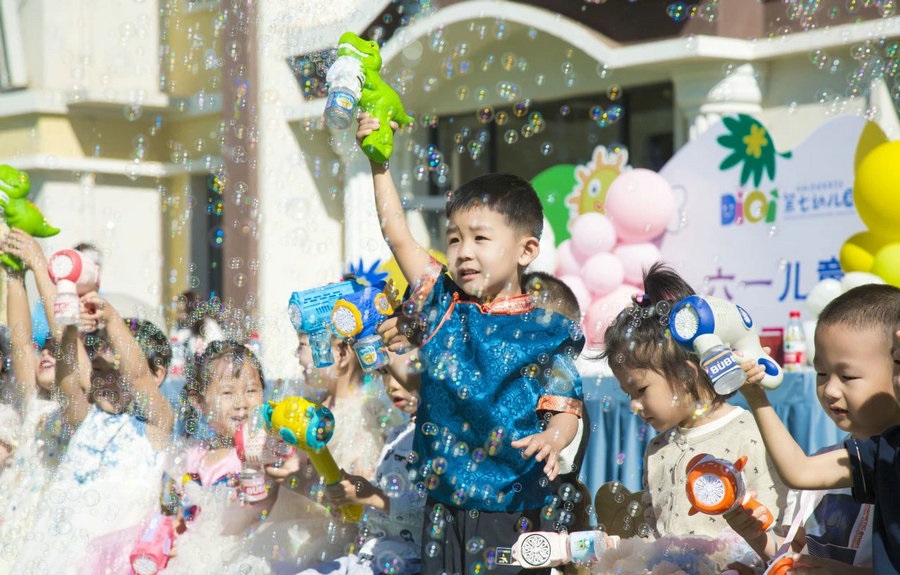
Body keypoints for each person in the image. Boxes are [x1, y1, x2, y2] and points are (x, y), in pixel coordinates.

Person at [357, 113, 584, 575]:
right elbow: (397, 233)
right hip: (444, 505)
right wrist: (379, 163)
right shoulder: (442, 302)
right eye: (454, 239)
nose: (463, 252)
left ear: (526, 250)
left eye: (480, 238)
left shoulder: (548, 331)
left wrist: (553, 439)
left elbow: (566, 407)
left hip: (513, 509)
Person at [598, 263, 784, 569]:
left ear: (686, 376)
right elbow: (655, 528)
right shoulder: (658, 447)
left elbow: (774, 524)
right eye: (628, 394)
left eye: (641, 390)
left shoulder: (748, 433)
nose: (634, 405)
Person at [738, 284, 900, 575]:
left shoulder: (890, 458)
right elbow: (798, 552)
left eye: (848, 376)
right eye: (822, 373)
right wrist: (755, 535)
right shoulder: (840, 460)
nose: (830, 390)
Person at [12, 295, 175, 573]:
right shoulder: (86, 418)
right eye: (98, 370)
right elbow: (68, 379)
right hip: (56, 560)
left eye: (116, 372)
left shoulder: (155, 426)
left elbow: (137, 377)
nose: (105, 380)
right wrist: (70, 329)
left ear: (157, 375)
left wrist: (110, 317)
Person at [296, 364, 422, 575]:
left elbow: (426, 511)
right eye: (384, 373)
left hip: (408, 562)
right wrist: (354, 496)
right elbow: (383, 500)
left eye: (400, 373)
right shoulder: (398, 434)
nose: (391, 384)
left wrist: (371, 496)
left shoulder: (430, 440)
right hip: (369, 557)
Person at [0, 229, 71, 573]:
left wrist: (40, 267)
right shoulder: (36, 403)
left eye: (56, 352)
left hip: (49, 538)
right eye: (44, 349)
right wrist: (13, 272)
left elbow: (68, 341)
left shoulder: (74, 408)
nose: (46, 353)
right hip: (13, 532)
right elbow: (20, 340)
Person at [295, 331, 397, 479]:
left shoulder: (365, 418)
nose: (296, 354)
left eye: (302, 345)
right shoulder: (316, 403)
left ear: (341, 354)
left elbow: (357, 485)